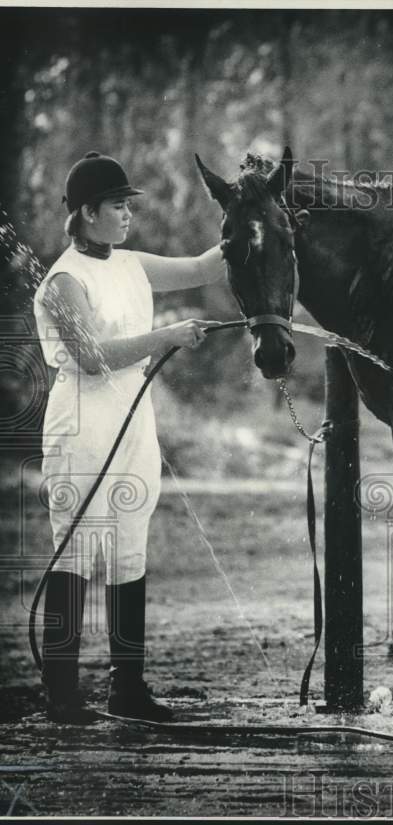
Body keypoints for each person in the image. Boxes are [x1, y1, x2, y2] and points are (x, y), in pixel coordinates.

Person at [32, 151, 227, 725]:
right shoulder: (63, 281)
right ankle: (63, 699)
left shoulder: (131, 263)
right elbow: (91, 358)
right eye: (119, 206)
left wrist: (254, 212)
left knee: (129, 550)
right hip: (82, 422)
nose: (127, 216)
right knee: (78, 552)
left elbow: (201, 268)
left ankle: (128, 689)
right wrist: (166, 334)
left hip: (133, 418)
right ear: (88, 212)